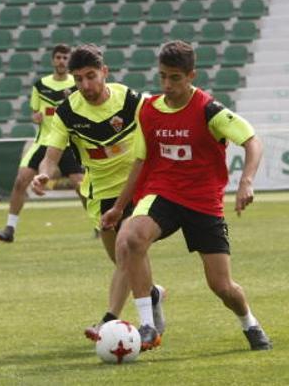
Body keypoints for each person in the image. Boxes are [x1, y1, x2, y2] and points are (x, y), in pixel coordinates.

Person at [108, 40, 272, 351]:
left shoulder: (210, 110)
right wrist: (119, 207)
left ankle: (249, 322)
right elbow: (140, 161)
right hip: (163, 193)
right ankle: (147, 324)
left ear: (191, 76)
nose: (167, 85)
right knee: (131, 237)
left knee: (222, 287)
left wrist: (246, 182)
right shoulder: (148, 111)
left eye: (175, 78)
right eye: (162, 77)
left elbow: (252, 141)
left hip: (203, 201)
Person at [28, 44, 164, 341]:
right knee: (122, 261)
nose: (85, 85)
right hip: (101, 193)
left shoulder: (130, 100)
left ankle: (111, 320)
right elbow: (52, 155)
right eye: (78, 79)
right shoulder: (67, 112)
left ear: (105, 72)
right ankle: (152, 294)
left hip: (138, 186)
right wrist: (43, 174)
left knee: (128, 249)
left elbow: (161, 115)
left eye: (91, 76)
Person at [0, 45, 85, 243]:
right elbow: (35, 113)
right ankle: (9, 229)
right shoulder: (40, 86)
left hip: (67, 143)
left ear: (69, 61)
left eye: (65, 57)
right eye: (58, 57)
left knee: (81, 186)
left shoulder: (76, 84)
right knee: (20, 181)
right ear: (53, 60)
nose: (61, 61)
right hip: (43, 141)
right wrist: (36, 117)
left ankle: (99, 224)